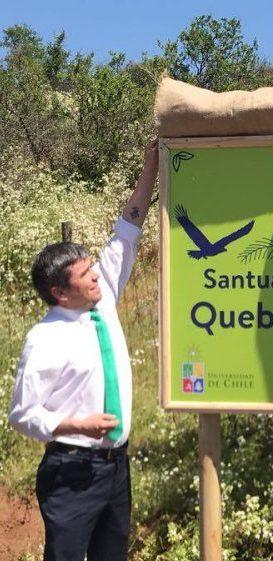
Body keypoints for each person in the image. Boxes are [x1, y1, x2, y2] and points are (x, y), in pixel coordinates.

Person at [8, 138, 159, 561]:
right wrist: (77, 425)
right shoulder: (45, 338)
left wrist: (152, 166)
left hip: (117, 468)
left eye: (92, 267)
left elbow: (128, 226)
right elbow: (23, 414)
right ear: (60, 292)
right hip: (72, 472)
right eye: (84, 275)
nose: (95, 275)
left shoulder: (104, 293)